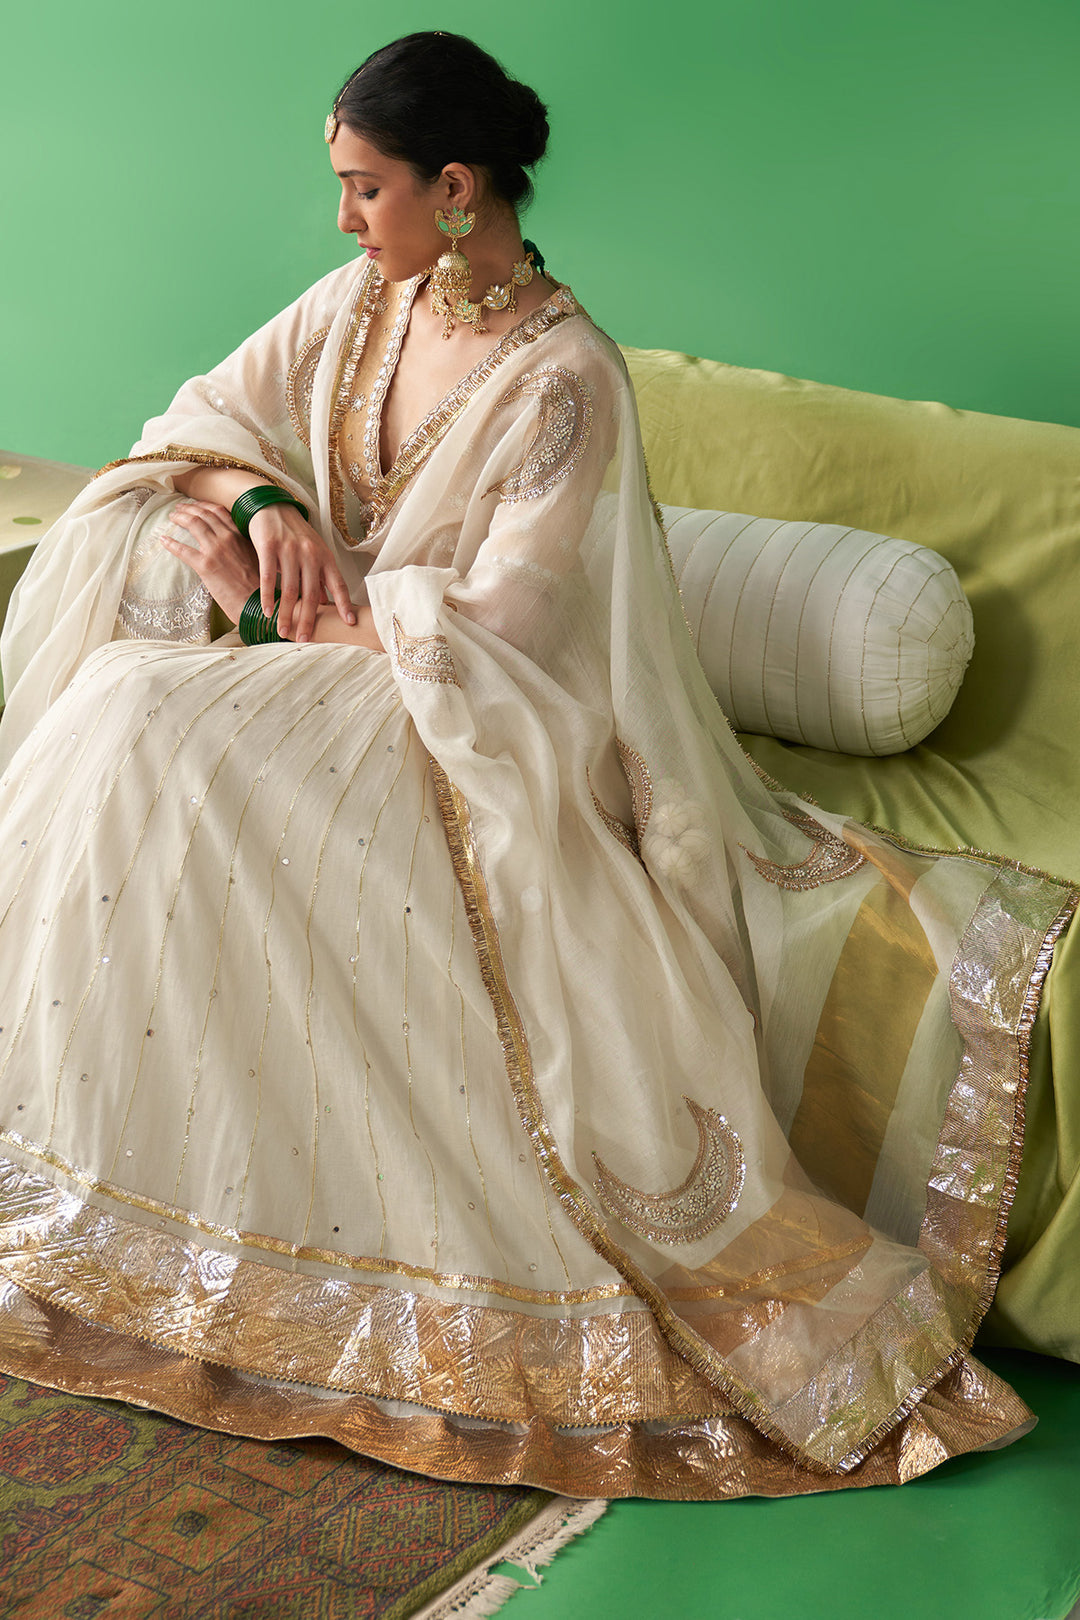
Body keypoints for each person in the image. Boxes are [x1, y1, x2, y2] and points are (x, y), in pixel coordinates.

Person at [0, 32, 1074, 1502]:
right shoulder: (356, 307)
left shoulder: (568, 378)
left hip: (476, 726)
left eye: (365, 188)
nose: (342, 217)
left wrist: (281, 611)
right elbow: (197, 425)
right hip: (346, 660)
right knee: (127, 647)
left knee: (144, 712)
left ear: (456, 191)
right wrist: (266, 507)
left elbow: (504, 641)